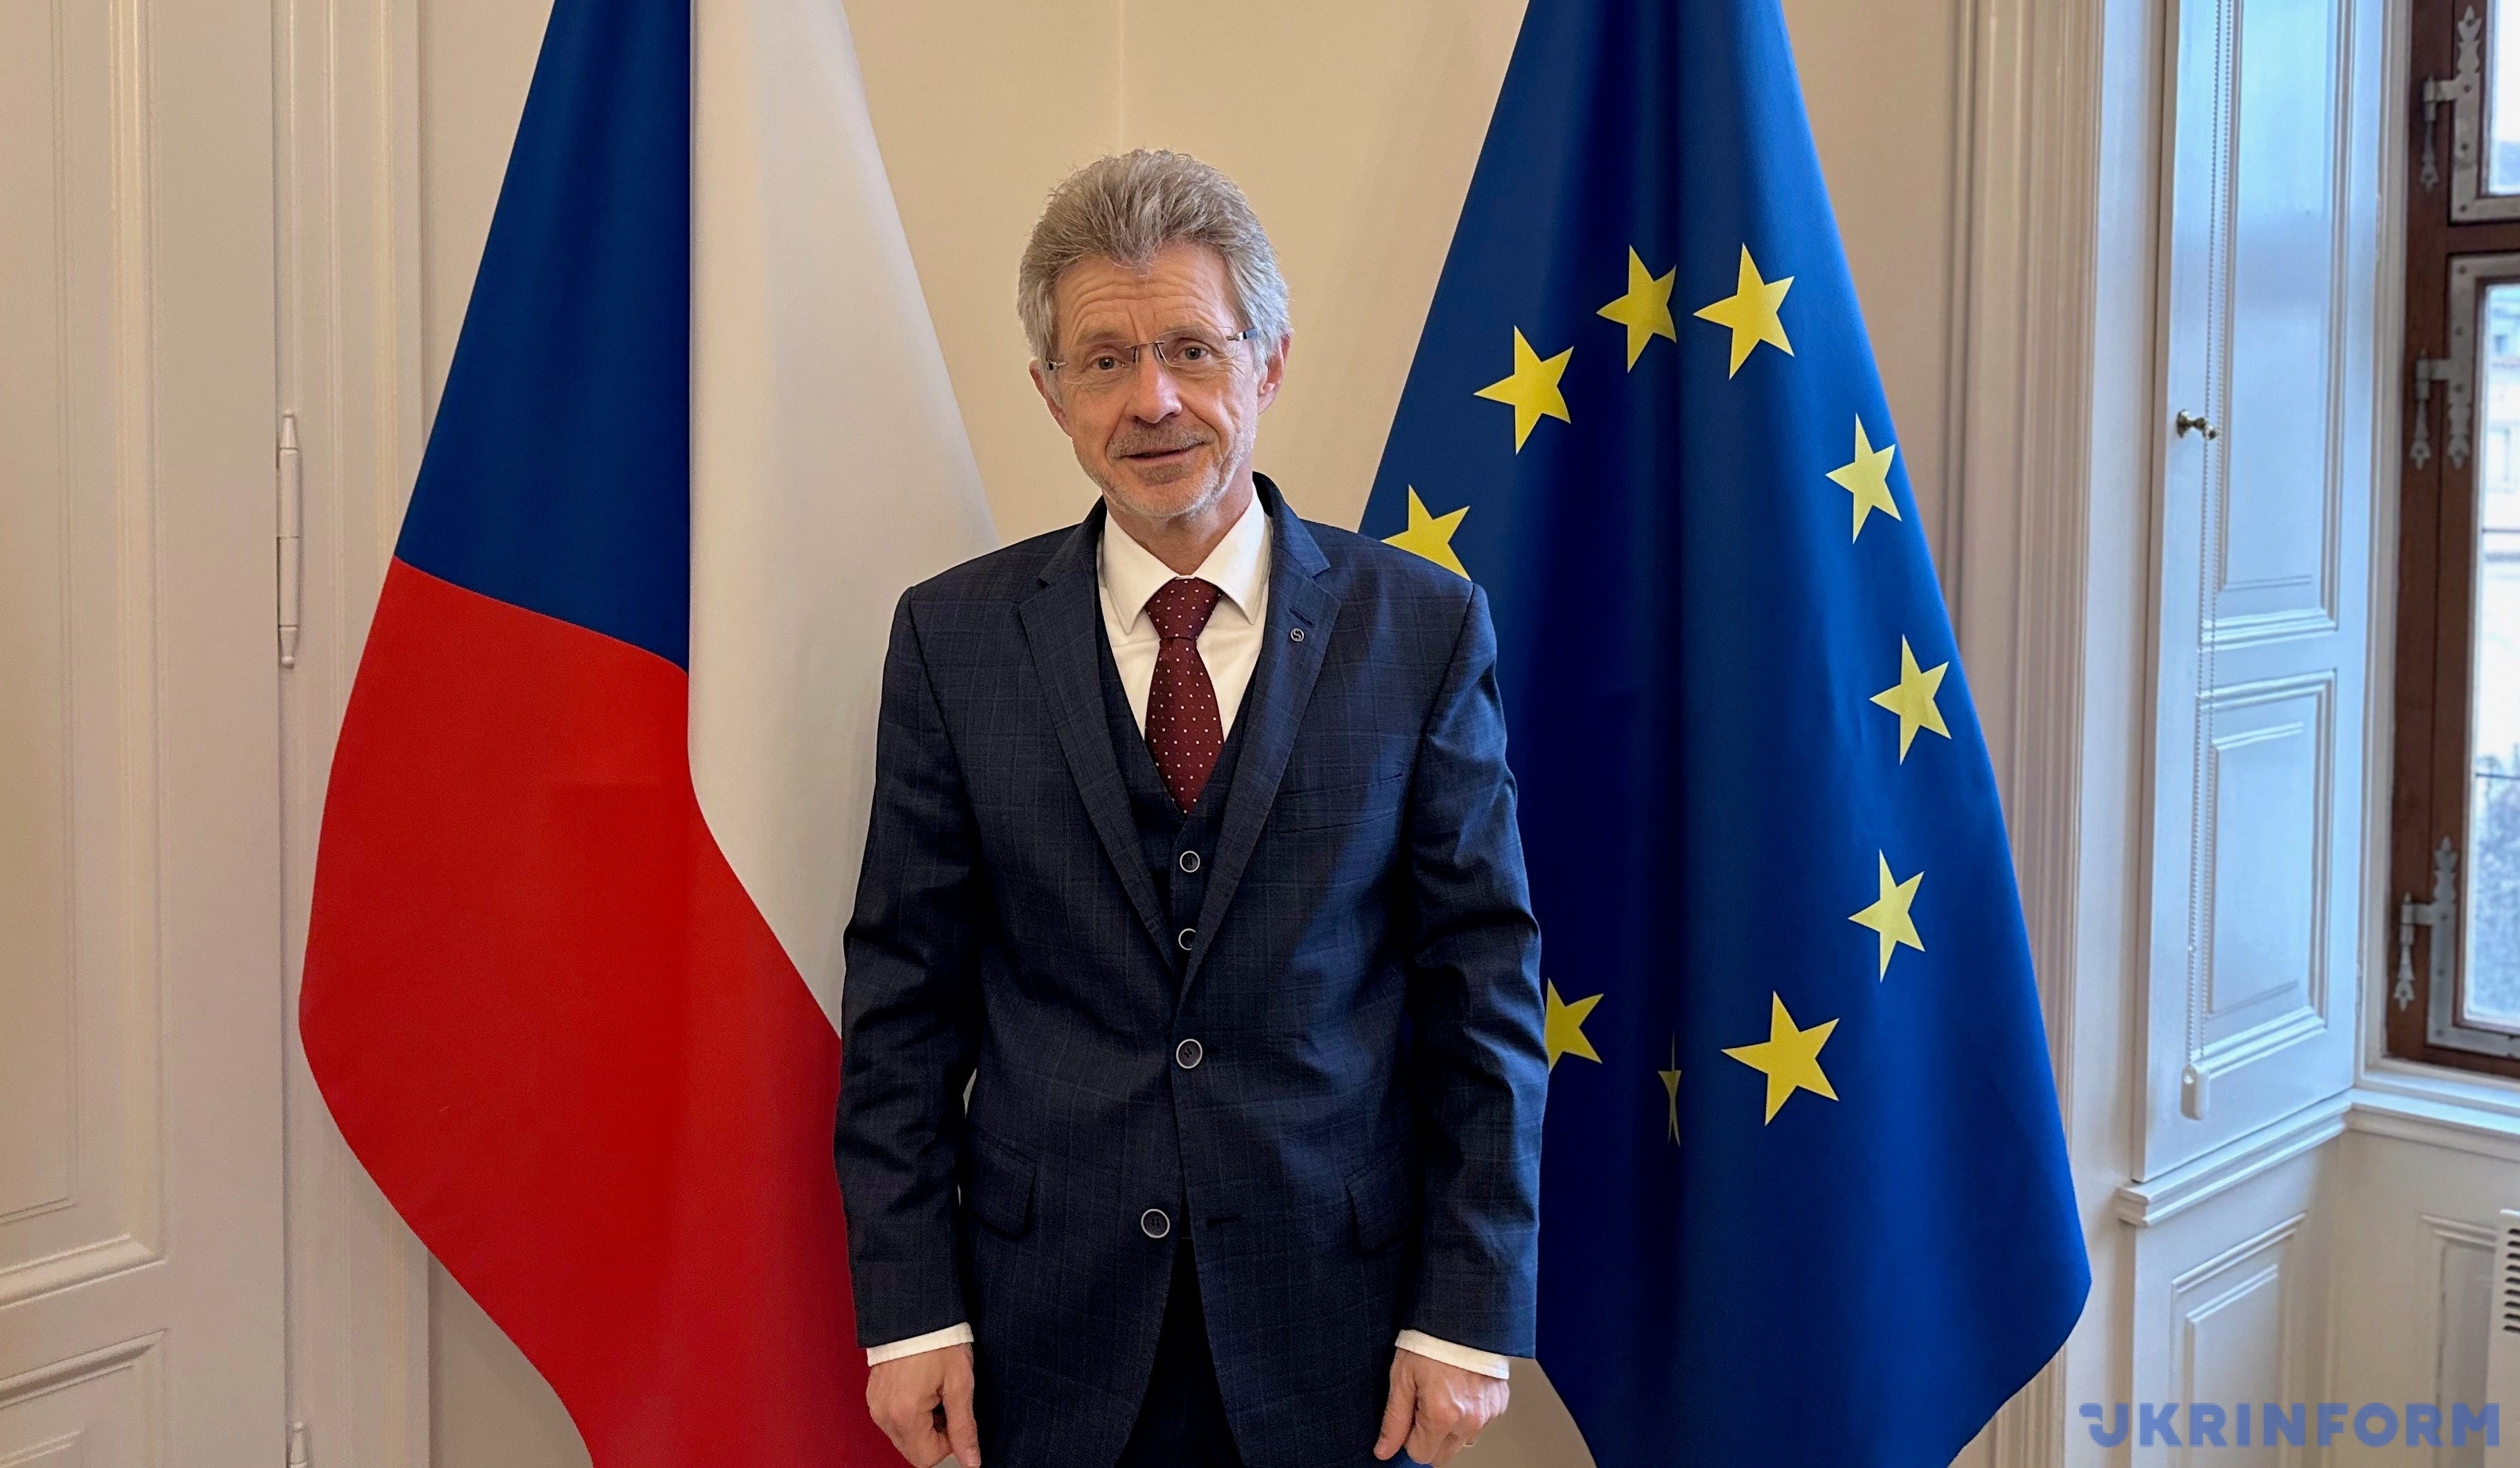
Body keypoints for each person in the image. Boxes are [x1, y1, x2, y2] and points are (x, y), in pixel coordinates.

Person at [835, 150, 1546, 1468]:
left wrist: (1466, 1308)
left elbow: (1484, 985)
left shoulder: (1422, 627)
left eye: (1192, 350)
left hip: (1341, 1333)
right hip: (1040, 1333)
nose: (1152, 399)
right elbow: (903, 1004)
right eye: (1105, 360)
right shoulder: (953, 638)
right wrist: (909, 1309)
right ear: (1052, 394)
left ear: (1267, 365)